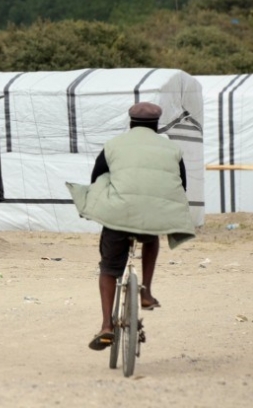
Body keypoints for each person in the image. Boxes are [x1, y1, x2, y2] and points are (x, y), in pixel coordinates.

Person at [65, 102, 196, 352]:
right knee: (151, 236)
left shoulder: (113, 145)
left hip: (119, 214)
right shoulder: (172, 148)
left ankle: (106, 326)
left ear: (130, 123)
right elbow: (181, 184)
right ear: (156, 125)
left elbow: (97, 179)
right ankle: (145, 292)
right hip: (154, 215)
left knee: (109, 267)